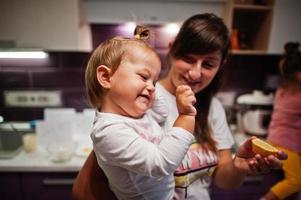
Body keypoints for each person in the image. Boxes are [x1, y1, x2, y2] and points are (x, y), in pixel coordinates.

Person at [73, 13, 287, 200]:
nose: (195, 73)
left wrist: (239, 165)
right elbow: (84, 190)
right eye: (187, 58)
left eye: (208, 64)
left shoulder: (213, 108)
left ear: (220, 66)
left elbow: (224, 181)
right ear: (171, 49)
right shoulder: (134, 107)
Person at [85, 25, 197, 200]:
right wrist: (186, 116)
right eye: (144, 77)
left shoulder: (135, 114)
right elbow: (160, 164)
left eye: (155, 80)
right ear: (106, 78)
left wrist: (150, 85)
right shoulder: (108, 132)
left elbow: (161, 114)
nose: (152, 87)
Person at [261, 42, 301, 200]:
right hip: (287, 145)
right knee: (296, 181)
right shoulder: (298, 97)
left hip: (274, 140)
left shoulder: (282, 91)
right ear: (298, 75)